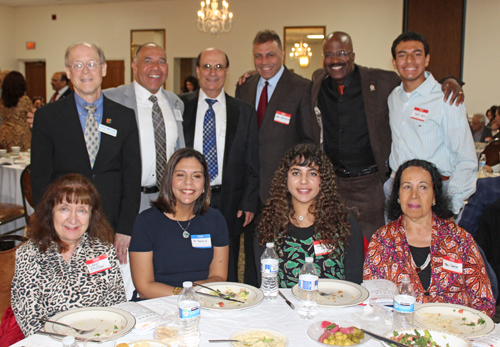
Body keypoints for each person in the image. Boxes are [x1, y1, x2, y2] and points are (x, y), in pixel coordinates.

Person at [311, 31, 464, 241]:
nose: (336, 59)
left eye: (342, 53)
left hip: (371, 186)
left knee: (378, 247)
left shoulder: (382, 81)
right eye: (329, 54)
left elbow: (415, 78)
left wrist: (450, 81)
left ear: (353, 56)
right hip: (334, 185)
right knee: (335, 246)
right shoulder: (318, 80)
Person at [30, 42, 141, 262]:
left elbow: (131, 175)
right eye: (78, 65)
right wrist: (49, 226)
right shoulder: (47, 117)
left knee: (106, 290)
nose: (86, 71)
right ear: (69, 72)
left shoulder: (124, 117)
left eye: (92, 63)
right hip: (64, 225)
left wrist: (126, 228)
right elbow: (40, 178)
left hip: (111, 223)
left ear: (104, 69)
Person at [235, 30, 316, 285]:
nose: (264, 61)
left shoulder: (301, 87)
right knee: (250, 252)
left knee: (281, 250)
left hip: (283, 190)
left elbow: (309, 141)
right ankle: (252, 295)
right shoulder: (245, 86)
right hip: (250, 190)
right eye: (258, 56)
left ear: (282, 54)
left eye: (270, 54)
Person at [363, 159, 495, 317]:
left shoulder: (459, 239)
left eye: (423, 187)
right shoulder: (382, 240)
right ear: (398, 196)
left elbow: (484, 300)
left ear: (434, 197)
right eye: (407, 187)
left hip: (455, 331)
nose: (414, 195)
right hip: (400, 331)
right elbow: (373, 300)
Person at [11, 173, 126, 337]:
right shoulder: (29, 254)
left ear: (91, 215)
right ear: (51, 212)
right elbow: (31, 323)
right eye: (64, 209)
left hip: (100, 339)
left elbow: (117, 306)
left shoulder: (103, 251)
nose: (73, 219)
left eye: (81, 210)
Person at [180, 48, 259, 283]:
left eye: (218, 67)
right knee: (189, 255)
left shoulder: (243, 111)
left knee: (230, 263)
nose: (212, 72)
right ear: (197, 70)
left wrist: (248, 201)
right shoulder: (180, 106)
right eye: (206, 66)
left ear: (226, 71)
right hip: (189, 195)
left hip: (230, 200)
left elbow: (252, 160)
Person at [385, 31, 477, 217]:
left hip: (436, 193)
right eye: (402, 55)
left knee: (433, 247)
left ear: (427, 59)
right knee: (396, 247)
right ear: (394, 62)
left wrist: (450, 205)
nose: (410, 60)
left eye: (417, 54)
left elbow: (466, 159)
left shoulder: (446, 99)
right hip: (397, 191)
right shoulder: (393, 97)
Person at [257, 143, 364, 288]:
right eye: (296, 173)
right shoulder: (268, 224)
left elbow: (354, 282)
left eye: (312, 173)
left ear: (323, 180)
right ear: (285, 178)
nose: (303, 181)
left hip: (334, 306)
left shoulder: (344, 222)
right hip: (284, 308)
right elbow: (263, 283)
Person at [129, 148, 229, 299]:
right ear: (169, 180)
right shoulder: (146, 222)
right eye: (180, 175)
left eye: (196, 176)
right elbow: (144, 287)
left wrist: (194, 295)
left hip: (204, 301)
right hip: (157, 303)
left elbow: (219, 278)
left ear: (204, 184)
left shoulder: (216, 220)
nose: (188, 182)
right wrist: (184, 294)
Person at [104, 43, 185, 216]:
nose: (155, 67)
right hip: (128, 200)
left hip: (168, 199)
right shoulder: (112, 99)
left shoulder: (175, 102)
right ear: (134, 66)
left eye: (161, 62)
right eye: (148, 61)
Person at [0, 71, 32, 151]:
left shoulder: (2, 101)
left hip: (4, 133)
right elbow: (31, 114)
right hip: (20, 133)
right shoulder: (24, 100)